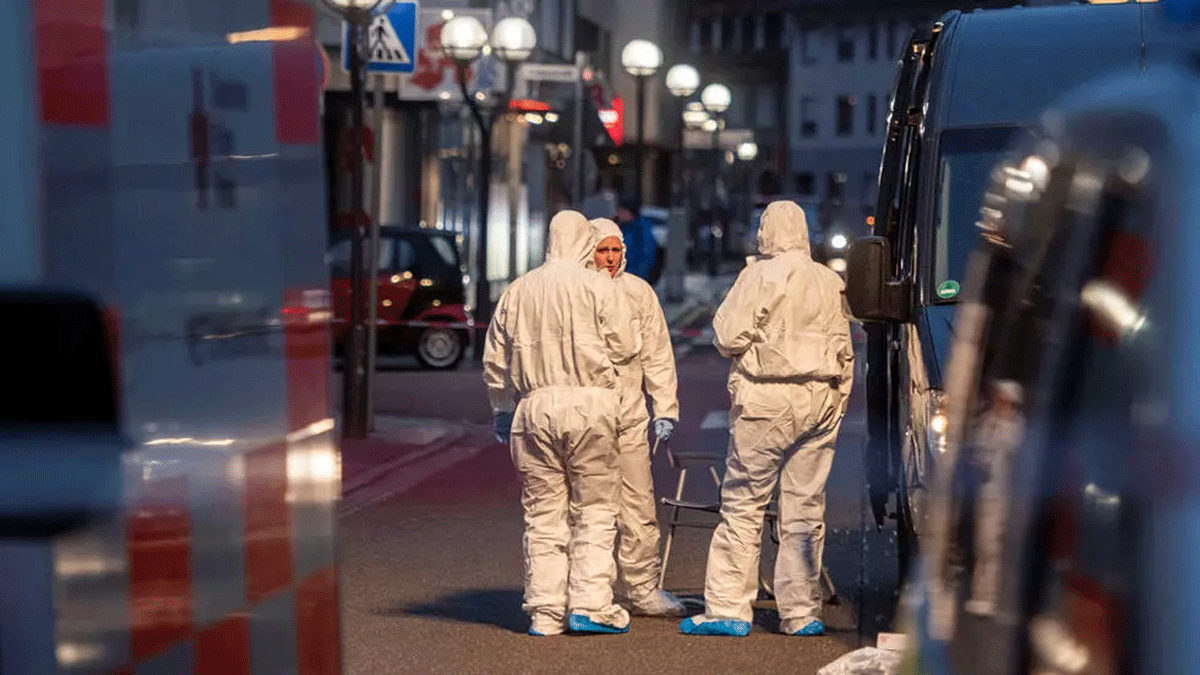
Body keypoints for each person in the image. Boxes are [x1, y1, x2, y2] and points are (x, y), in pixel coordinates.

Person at [680, 200, 854, 637]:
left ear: (767, 231)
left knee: (743, 504)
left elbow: (726, 335)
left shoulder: (758, 275)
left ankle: (728, 609)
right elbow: (846, 349)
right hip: (821, 397)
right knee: (805, 508)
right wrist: (839, 400)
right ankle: (800, 612)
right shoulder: (829, 280)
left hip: (767, 399)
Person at [483, 210, 639, 636]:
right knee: (594, 508)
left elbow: (495, 359)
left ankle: (545, 611)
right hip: (592, 404)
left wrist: (501, 408)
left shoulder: (519, 290)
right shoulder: (599, 287)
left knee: (542, 512)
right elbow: (626, 346)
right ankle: (590, 603)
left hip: (534, 408)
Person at [588, 218, 686, 617]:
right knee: (589, 507)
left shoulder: (638, 293)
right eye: (602, 250)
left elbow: (657, 356)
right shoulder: (576, 293)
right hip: (588, 415)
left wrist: (664, 407)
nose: (609, 258)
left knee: (638, 504)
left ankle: (643, 587)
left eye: (615, 250)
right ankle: (589, 589)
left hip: (628, 413)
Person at [616, 197, 658, 282]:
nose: (618, 214)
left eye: (621, 211)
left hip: (633, 279)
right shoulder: (621, 227)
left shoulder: (641, 231)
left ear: (630, 212)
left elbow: (645, 257)